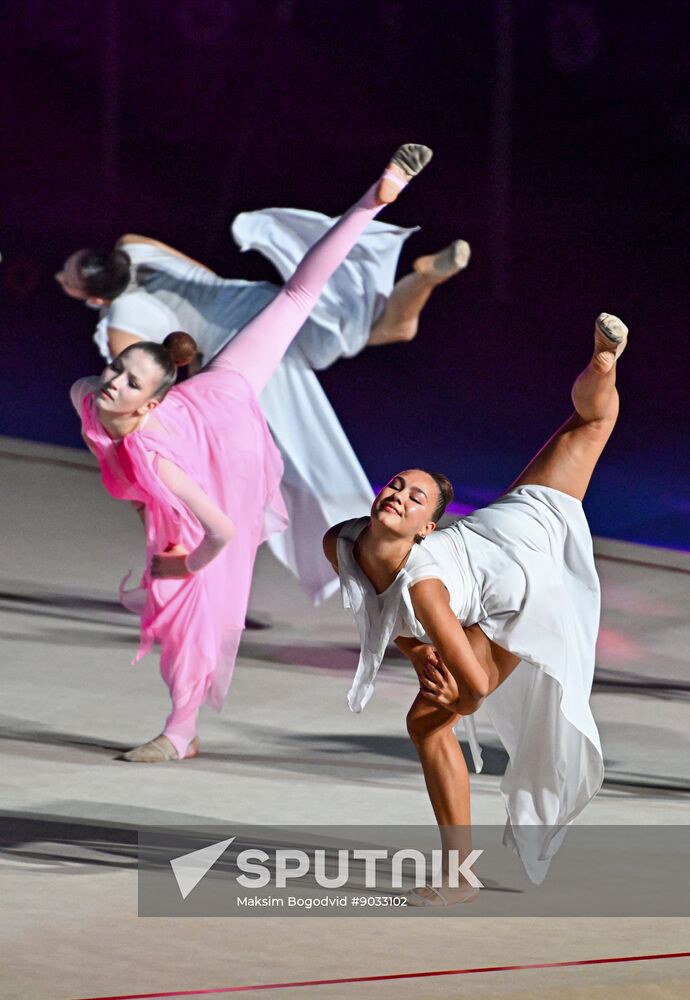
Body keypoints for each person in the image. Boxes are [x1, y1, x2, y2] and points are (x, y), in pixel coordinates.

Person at [69, 143, 433, 762]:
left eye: (129, 382)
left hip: (225, 434)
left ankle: (180, 732)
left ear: (152, 403)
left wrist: (184, 565)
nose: (113, 384)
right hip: (199, 409)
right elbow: (128, 458)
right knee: (173, 578)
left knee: (193, 599)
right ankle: (182, 724)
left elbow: (221, 528)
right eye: (118, 372)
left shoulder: (158, 452)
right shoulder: (88, 396)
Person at [324, 312, 629, 901]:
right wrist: (420, 658)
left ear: (426, 527)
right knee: (590, 422)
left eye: (415, 498)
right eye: (395, 485)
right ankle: (603, 367)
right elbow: (390, 619)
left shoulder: (425, 583)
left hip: (517, 588)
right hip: (503, 526)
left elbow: (475, 688)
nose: (399, 496)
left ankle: (458, 878)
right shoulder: (340, 541)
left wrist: (449, 695)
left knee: (427, 722)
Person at [57, 200, 470, 604]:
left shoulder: (123, 318)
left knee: (300, 470)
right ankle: (422, 279)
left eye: (65, 276)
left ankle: (377, 567)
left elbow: (150, 387)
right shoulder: (132, 244)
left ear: (93, 299)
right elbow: (204, 279)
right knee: (391, 329)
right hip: (263, 303)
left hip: (245, 351)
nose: (61, 276)